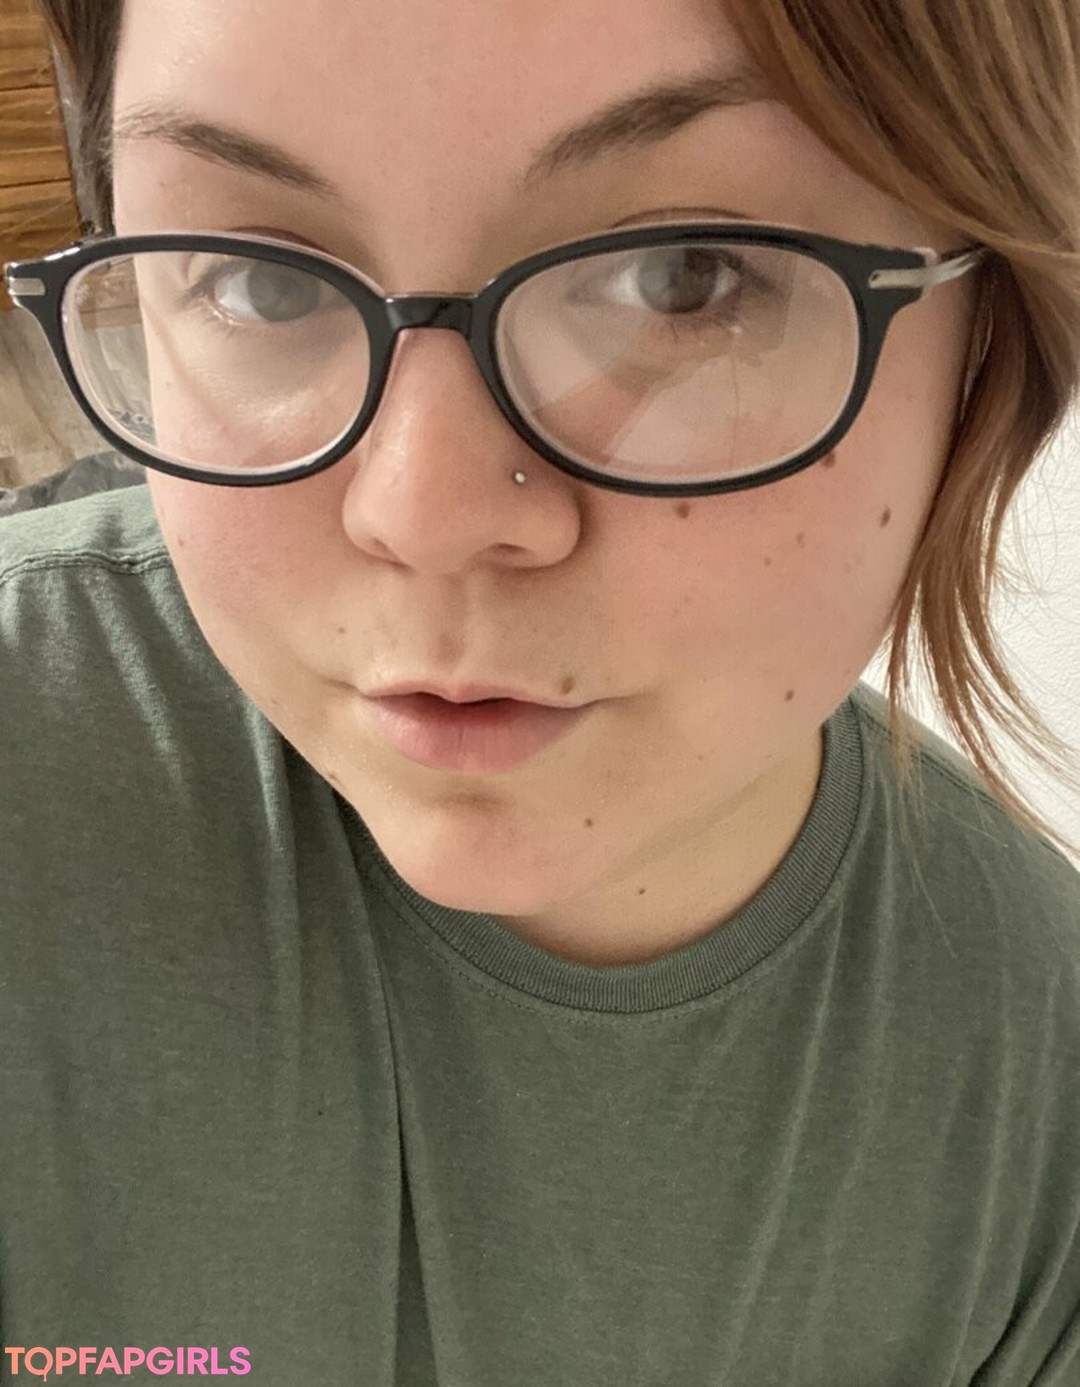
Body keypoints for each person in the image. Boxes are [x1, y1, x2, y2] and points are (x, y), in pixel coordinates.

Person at [1, 0, 1078, 1381]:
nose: (424, 512)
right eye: (260, 283)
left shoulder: (1032, 1101)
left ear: (992, 338)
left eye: (684, 280)